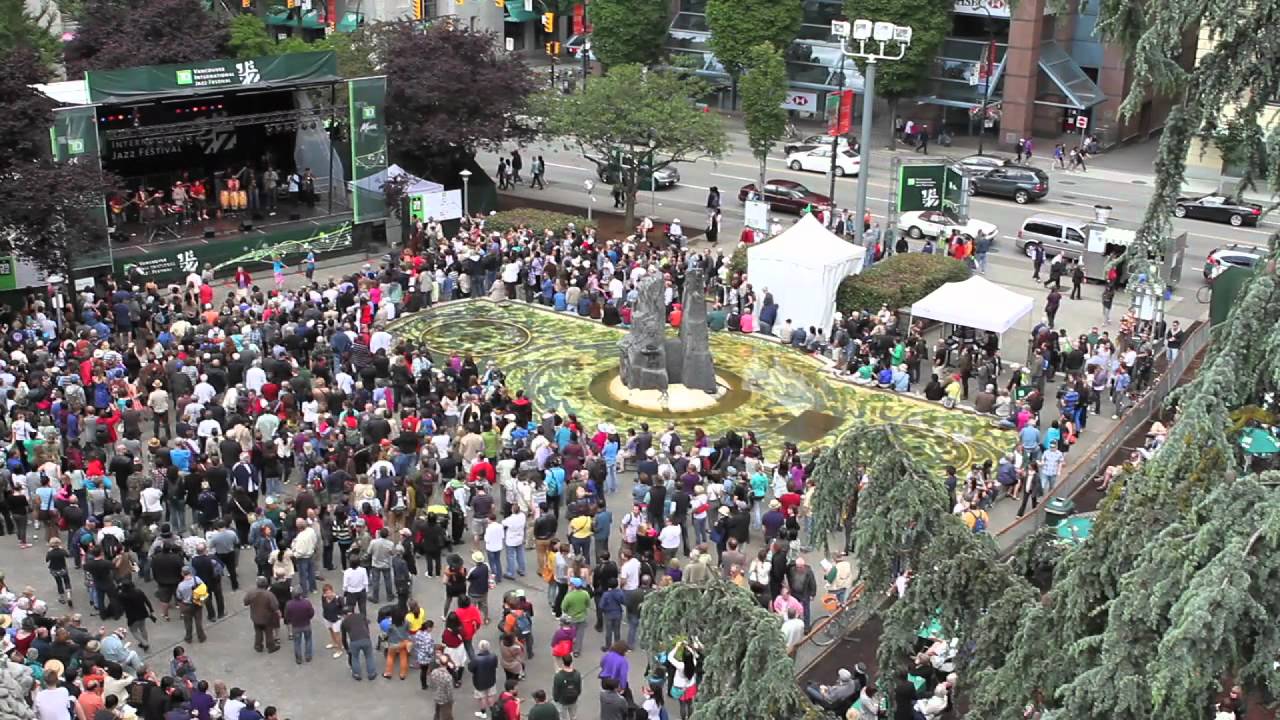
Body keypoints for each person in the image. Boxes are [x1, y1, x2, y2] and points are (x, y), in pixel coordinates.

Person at [243, 576, 280, 653]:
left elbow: (245, 602)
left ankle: (258, 646)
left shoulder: (251, 593)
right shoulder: (269, 595)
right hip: (267, 618)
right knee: (269, 632)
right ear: (266, 584)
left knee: (258, 631)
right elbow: (275, 606)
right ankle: (271, 647)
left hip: (255, 617)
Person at [553, 655, 583, 720]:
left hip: (562, 700)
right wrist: (576, 694)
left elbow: (556, 690)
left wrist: (556, 699)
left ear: (563, 662)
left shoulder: (558, 676)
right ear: (571, 662)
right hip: (573, 699)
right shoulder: (577, 674)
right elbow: (579, 688)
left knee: (563, 717)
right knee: (573, 716)